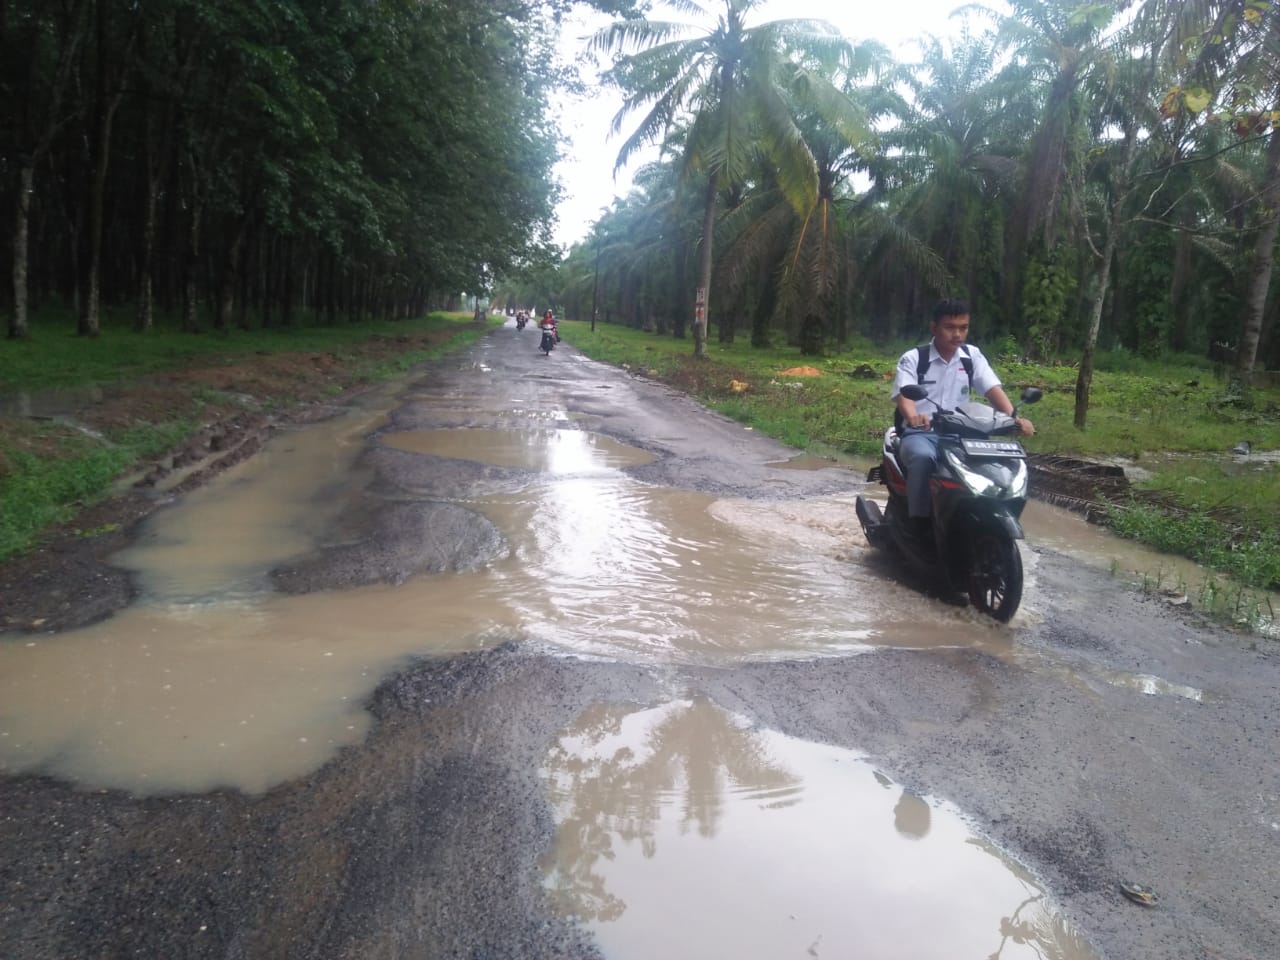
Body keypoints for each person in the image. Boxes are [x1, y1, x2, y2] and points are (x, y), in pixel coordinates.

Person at [891, 298, 1034, 540]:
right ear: (934, 328)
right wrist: (914, 417)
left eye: (963, 327)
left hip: (964, 433)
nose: (957, 334)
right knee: (923, 458)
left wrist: (1014, 418)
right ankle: (919, 522)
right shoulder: (914, 358)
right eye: (950, 327)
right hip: (923, 433)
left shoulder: (971, 356)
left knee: (1003, 460)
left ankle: (986, 513)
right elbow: (905, 395)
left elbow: (992, 389)